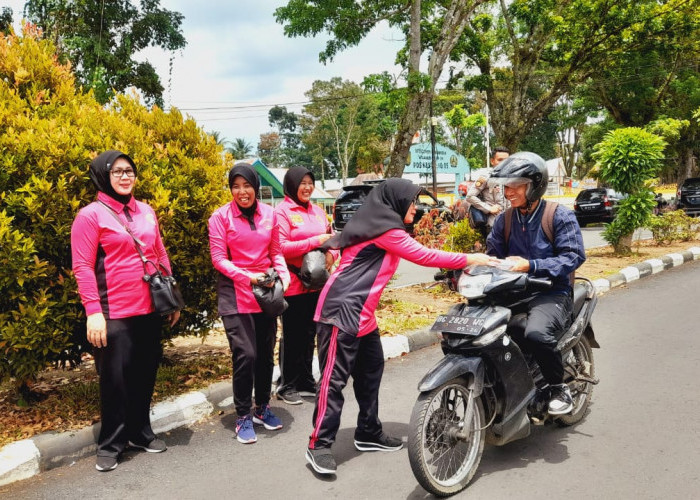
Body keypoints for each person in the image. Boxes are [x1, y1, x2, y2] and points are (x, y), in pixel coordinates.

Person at [305, 178, 494, 476]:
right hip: (340, 312)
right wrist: (471, 257)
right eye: (411, 201)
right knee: (334, 381)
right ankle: (319, 444)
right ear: (395, 201)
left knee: (370, 373)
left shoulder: (377, 224)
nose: (416, 208)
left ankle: (368, 432)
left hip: (362, 316)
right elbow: (424, 255)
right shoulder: (386, 230)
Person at [71, 150, 180, 472]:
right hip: (113, 311)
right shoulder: (90, 216)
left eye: (129, 170)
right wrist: (93, 311)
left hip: (148, 307)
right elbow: (82, 266)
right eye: (117, 171)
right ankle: (111, 443)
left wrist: (170, 297)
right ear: (103, 176)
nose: (124, 176)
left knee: (145, 374)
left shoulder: (146, 211)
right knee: (115, 380)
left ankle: (140, 432)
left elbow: (158, 251)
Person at [485, 152, 586, 416]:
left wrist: (531, 265)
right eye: (506, 186)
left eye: (516, 185)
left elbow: (573, 257)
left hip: (551, 291)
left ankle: (557, 386)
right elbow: (492, 256)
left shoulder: (558, 216)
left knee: (536, 334)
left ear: (534, 185)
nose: (508, 192)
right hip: (513, 291)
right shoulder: (504, 221)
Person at [208, 163, 290, 444]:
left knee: (265, 354)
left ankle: (262, 407)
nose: (242, 192)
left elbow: (276, 251)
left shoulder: (270, 214)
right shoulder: (220, 217)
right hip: (235, 293)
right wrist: (248, 277)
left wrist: (284, 274)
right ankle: (242, 414)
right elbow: (219, 259)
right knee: (246, 355)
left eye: (247, 185)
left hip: (265, 293)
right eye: (235, 186)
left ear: (256, 186)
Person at [274, 166, 338, 405]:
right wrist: (314, 242)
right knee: (292, 334)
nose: (307, 187)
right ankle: (286, 383)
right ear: (291, 185)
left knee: (311, 332)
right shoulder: (281, 212)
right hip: (293, 283)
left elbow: (332, 238)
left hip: (317, 283)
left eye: (310, 182)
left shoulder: (319, 211)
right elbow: (279, 247)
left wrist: (333, 253)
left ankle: (305, 379)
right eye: (302, 183)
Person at [466, 146, 511, 235]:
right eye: (500, 160)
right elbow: (470, 196)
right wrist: (489, 208)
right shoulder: (486, 177)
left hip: (510, 225)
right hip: (493, 226)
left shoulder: (512, 177)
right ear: (492, 161)